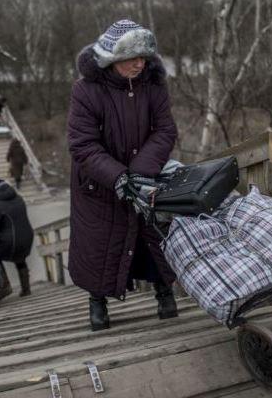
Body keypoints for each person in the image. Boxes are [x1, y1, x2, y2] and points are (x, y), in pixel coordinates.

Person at [66, 19, 179, 331]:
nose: (140, 65)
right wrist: (117, 177)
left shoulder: (153, 83)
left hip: (143, 178)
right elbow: (82, 144)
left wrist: (139, 174)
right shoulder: (86, 90)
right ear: (112, 58)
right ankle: (97, 301)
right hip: (98, 184)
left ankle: (164, 291)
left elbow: (165, 129)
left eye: (144, 58)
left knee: (152, 237)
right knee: (99, 243)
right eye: (133, 59)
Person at [0, 178, 35, 297]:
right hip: (27, 237)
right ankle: (26, 289)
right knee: (20, 258)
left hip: (11, 241)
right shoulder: (19, 198)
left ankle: (5, 286)